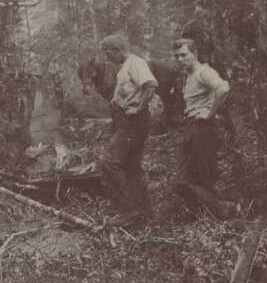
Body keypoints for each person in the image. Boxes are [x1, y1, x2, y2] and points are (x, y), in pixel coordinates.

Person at [171, 38, 239, 220]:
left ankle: (221, 212)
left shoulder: (204, 72)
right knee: (181, 183)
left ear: (194, 54)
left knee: (204, 177)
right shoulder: (188, 76)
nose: (180, 59)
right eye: (176, 56)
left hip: (204, 128)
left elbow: (223, 88)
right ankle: (221, 207)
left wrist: (209, 113)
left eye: (183, 55)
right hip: (192, 127)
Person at [98, 34, 158, 227]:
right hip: (127, 121)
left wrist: (138, 108)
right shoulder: (125, 67)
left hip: (133, 122)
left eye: (108, 53)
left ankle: (127, 210)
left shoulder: (136, 63)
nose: (107, 58)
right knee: (132, 166)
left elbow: (150, 86)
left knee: (108, 162)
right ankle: (144, 211)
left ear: (117, 49)